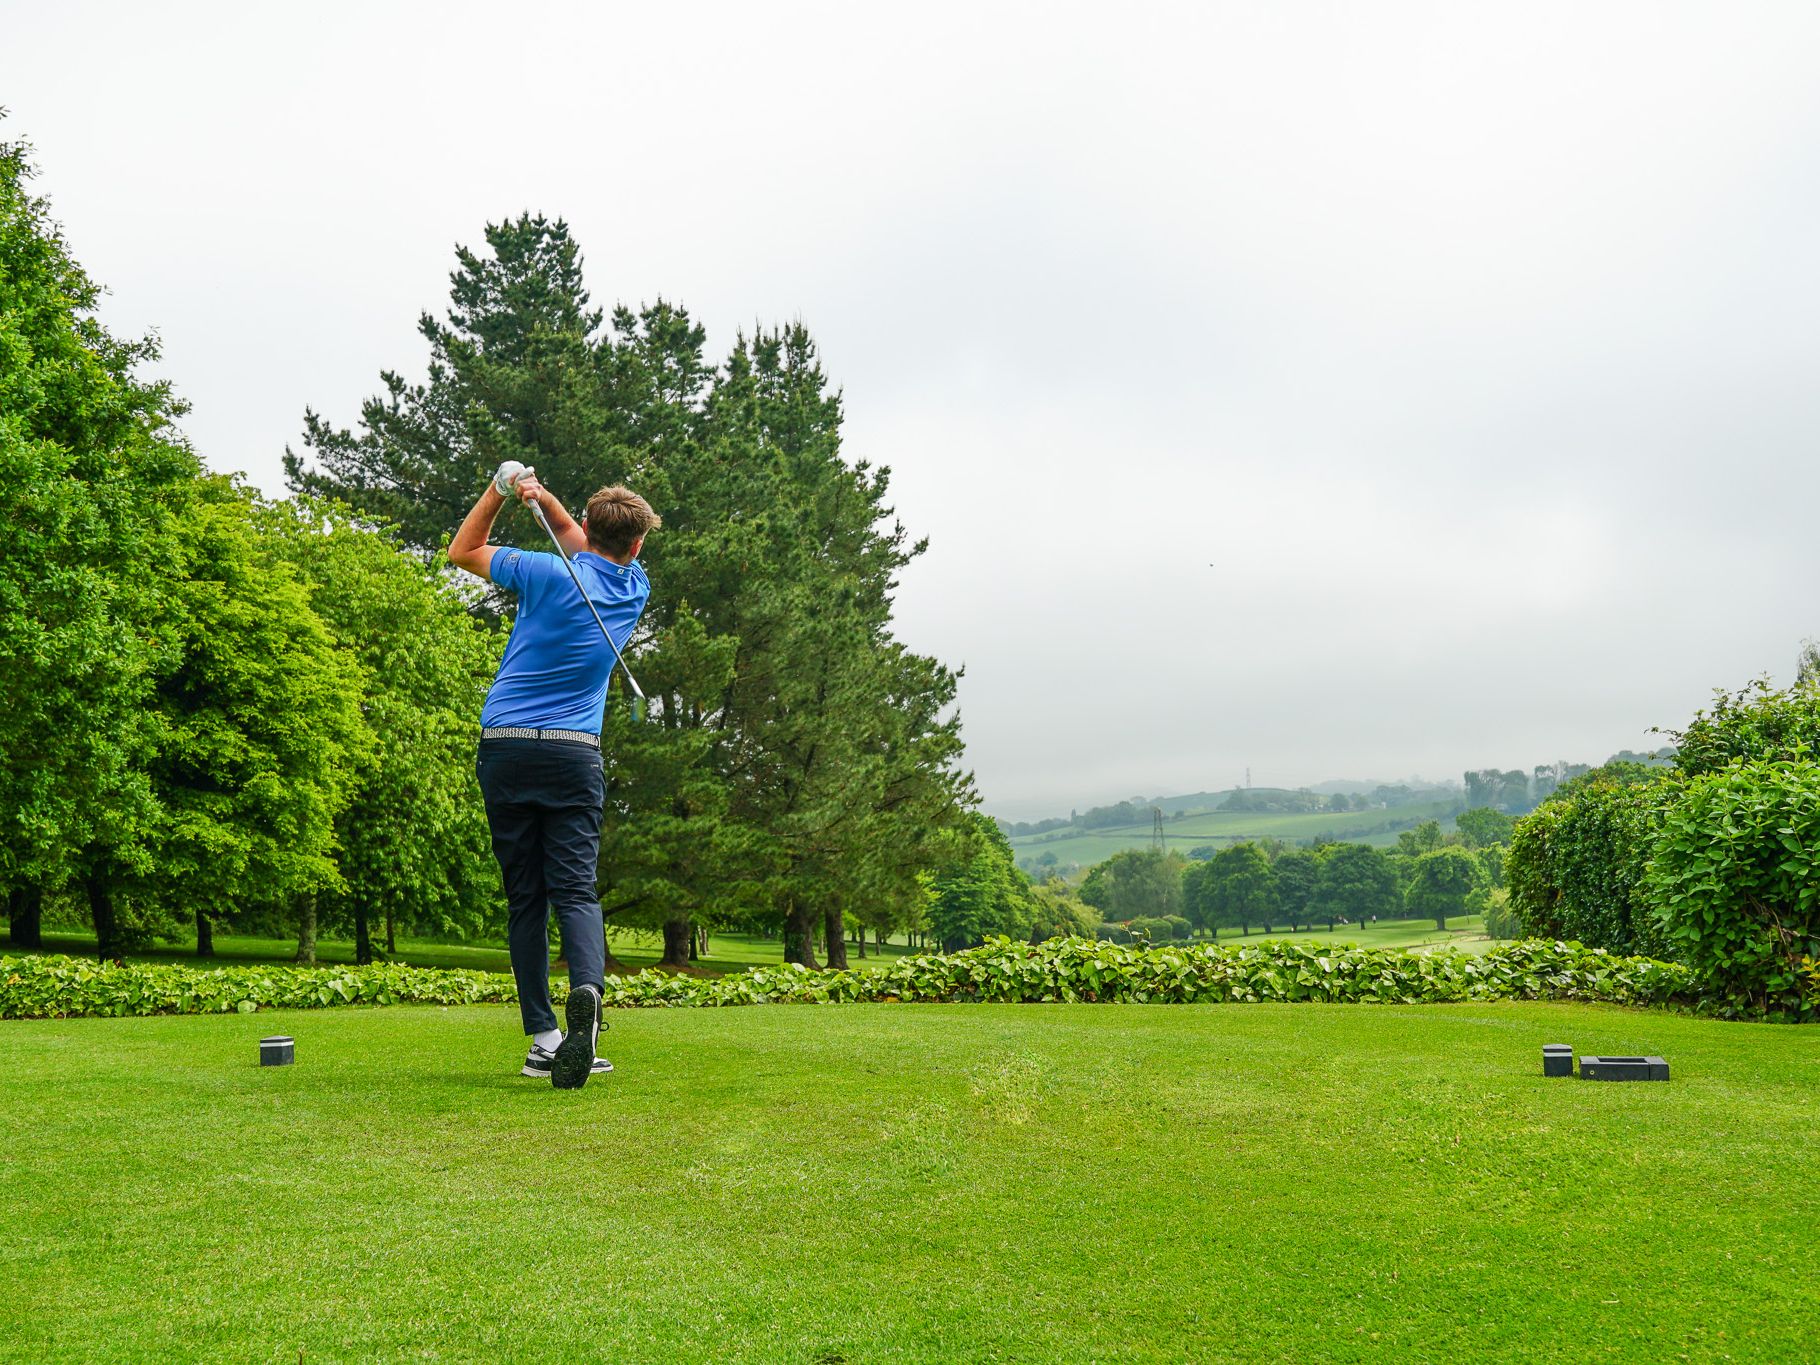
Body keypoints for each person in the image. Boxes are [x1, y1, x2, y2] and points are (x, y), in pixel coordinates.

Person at [448, 465, 659, 1089]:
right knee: (575, 890)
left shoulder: (542, 572)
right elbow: (576, 535)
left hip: (508, 746)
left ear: (592, 527)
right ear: (638, 544)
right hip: (574, 753)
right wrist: (541, 499)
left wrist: (499, 490)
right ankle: (588, 997)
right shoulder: (634, 586)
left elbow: (464, 551)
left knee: (526, 898)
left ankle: (544, 1036)